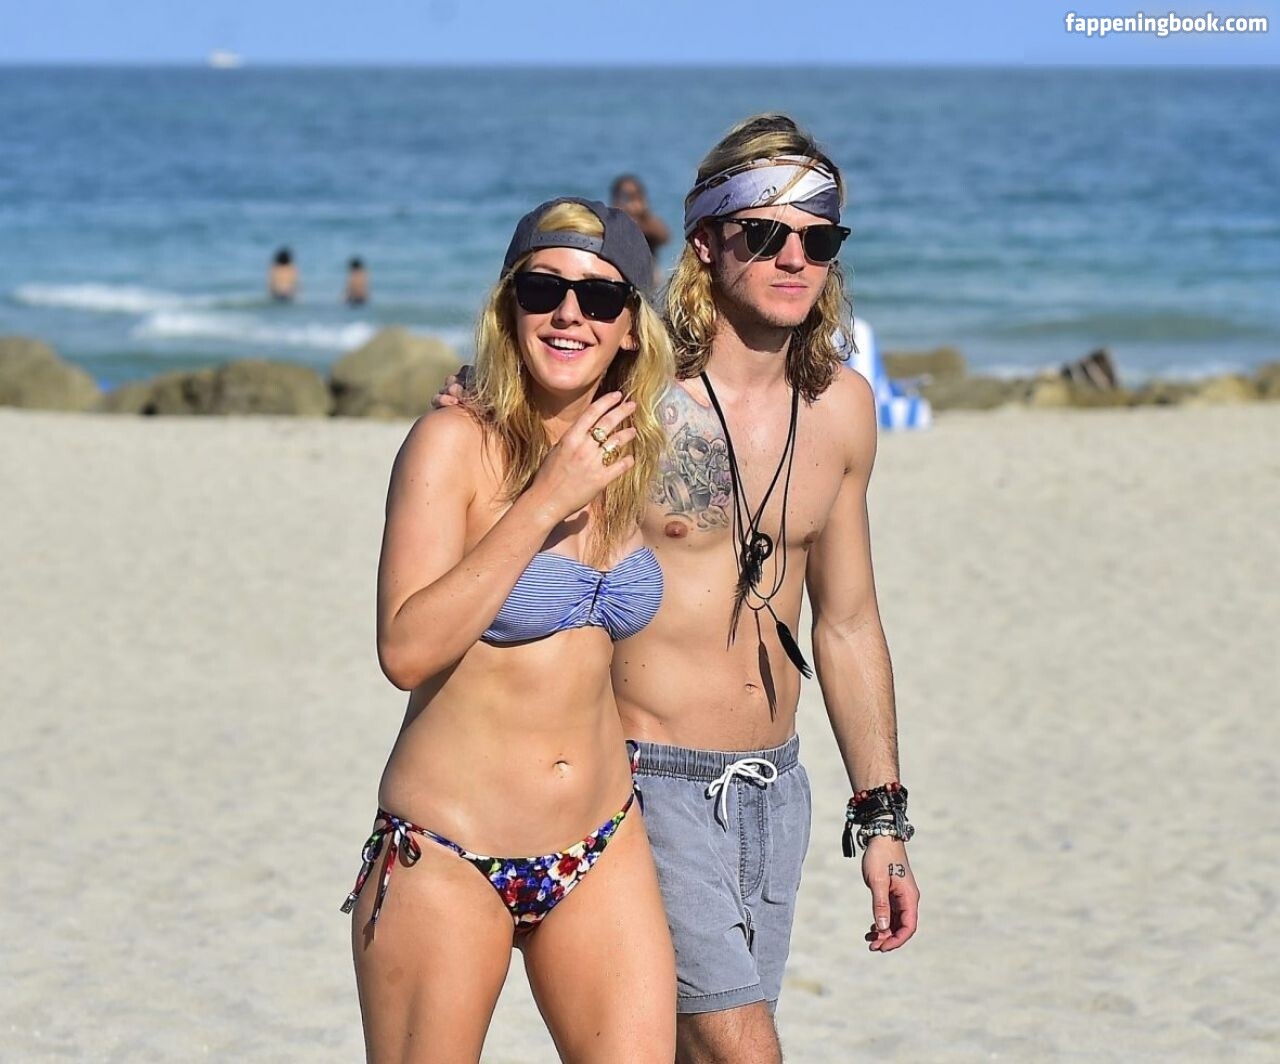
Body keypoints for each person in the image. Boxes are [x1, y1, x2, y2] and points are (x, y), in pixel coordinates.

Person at [442, 115, 920, 1064]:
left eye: (818, 239)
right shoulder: (632, 402)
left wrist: (883, 816)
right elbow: (520, 403)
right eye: (764, 234)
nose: (795, 258)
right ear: (706, 242)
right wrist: (469, 397)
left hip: (776, 791)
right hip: (644, 781)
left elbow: (849, 624)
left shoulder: (843, 410)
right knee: (746, 1051)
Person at [341, 197, 677, 1063]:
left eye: (600, 298)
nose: (569, 314)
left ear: (631, 327)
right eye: (542, 289)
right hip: (449, 849)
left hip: (601, 840)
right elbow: (404, 650)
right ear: (508, 307)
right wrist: (545, 498)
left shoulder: (643, 446)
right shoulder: (451, 442)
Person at [611, 174, 670, 286]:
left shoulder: (648, 222)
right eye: (626, 197)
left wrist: (641, 216)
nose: (631, 203)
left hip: (649, 278)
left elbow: (664, 237)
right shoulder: (612, 221)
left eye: (635, 196)